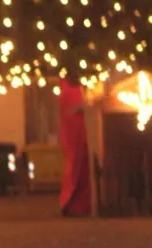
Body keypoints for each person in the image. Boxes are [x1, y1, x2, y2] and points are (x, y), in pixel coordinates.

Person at [58, 67, 91, 217]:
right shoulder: (72, 90)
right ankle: (74, 204)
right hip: (77, 134)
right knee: (78, 168)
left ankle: (72, 203)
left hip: (77, 134)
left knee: (78, 167)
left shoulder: (67, 89)